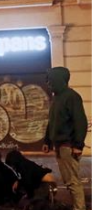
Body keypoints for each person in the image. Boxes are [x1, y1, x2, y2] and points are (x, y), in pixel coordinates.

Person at [43, 67, 88, 210]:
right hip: (60, 145)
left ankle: (79, 208)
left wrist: (78, 145)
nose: (48, 83)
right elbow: (52, 121)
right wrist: (47, 141)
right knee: (69, 180)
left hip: (68, 146)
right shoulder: (57, 97)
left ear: (58, 79)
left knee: (72, 181)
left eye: (50, 80)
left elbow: (80, 122)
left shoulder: (71, 96)